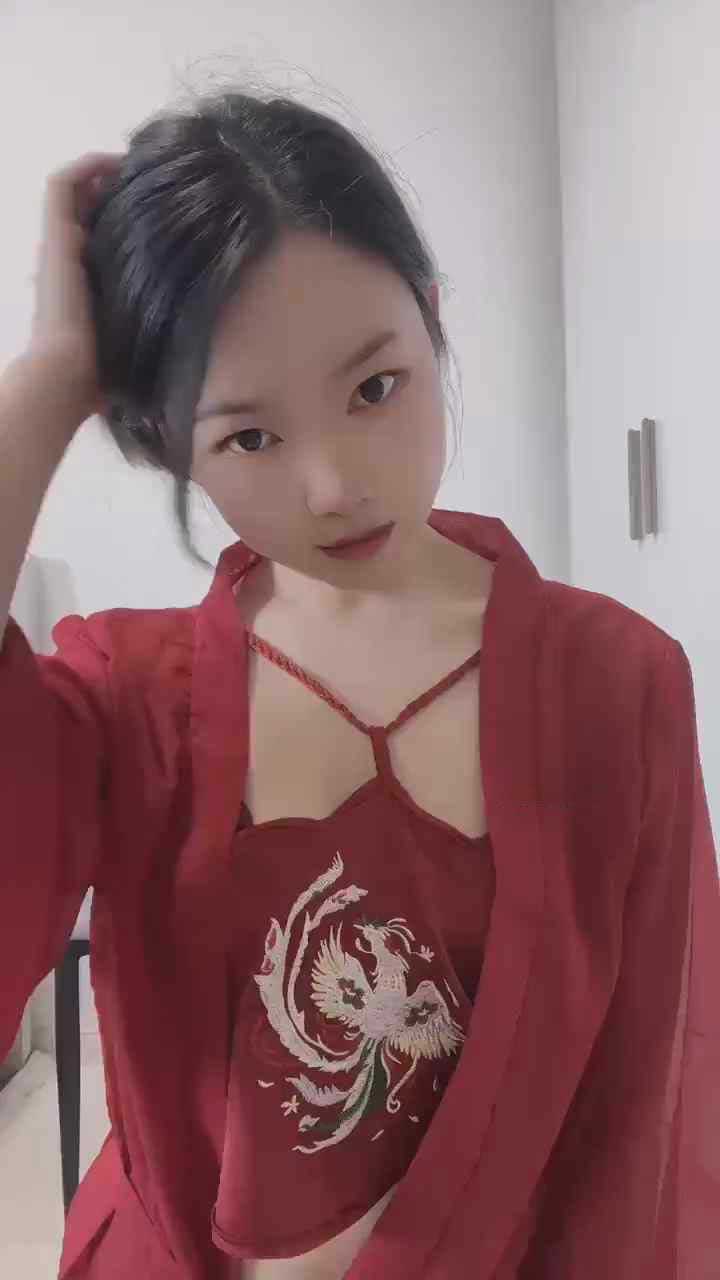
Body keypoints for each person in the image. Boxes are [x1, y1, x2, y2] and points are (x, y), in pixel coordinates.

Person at [1, 88, 719, 1280]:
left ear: (432, 320)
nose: (334, 483)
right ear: (167, 443)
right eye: (249, 436)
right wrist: (47, 378)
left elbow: (644, 1117)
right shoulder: (132, 697)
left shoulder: (619, 683)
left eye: (376, 386)